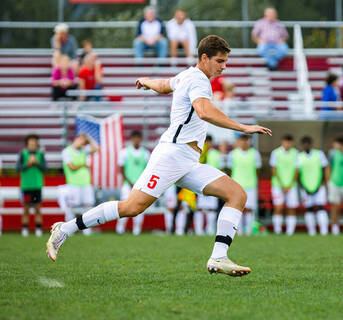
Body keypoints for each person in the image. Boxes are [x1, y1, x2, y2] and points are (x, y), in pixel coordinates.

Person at [46, 35, 272, 278]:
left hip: (188, 161)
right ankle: (65, 229)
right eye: (220, 61)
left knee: (236, 194)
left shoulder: (188, 75)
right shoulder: (199, 81)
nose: (224, 66)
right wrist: (244, 127)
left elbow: (165, 84)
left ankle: (218, 256)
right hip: (171, 156)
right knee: (132, 207)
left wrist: (146, 81)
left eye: (225, 61)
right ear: (204, 58)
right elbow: (204, 112)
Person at [59, 134, 99, 236]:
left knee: (88, 206)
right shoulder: (67, 151)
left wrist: (89, 139)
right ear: (76, 139)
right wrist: (83, 165)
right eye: (81, 140)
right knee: (72, 207)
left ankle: (87, 230)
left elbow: (96, 149)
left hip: (86, 183)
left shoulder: (83, 151)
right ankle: (68, 230)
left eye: (84, 142)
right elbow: (71, 167)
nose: (82, 143)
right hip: (73, 184)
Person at [115, 131, 150, 235]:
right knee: (124, 206)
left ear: (141, 139)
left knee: (139, 206)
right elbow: (121, 169)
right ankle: (120, 229)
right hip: (127, 184)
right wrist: (129, 181)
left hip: (141, 185)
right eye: (135, 138)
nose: (136, 140)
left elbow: (148, 170)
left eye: (138, 138)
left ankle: (137, 230)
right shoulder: (124, 152)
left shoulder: (146, 153)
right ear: (131, 139)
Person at [228, 135, 262, 236]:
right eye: (242, 140)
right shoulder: (232, 154)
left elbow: (257, 170)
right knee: (238, 209)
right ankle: (238, 231)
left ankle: (248, 230)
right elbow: (230, 170)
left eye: (246, 140)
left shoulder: (255, 154)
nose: (244, 142)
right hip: (237, 185)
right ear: (238, 141)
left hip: (251, 185)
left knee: (249, 209)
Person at [16, 134, 46, 237]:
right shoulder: (22, 154)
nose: (33, 145)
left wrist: (36, 163)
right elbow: (18, 169)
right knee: (26, 209)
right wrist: (28, 164)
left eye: (34, 143)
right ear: (27, 144)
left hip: (37, 185)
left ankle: (38, 230)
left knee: (38, 209)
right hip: (26, 186)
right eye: (31, 143)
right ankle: (24, 230)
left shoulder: (40, 154)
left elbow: (45, 169)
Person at [298, 136, 330, 236]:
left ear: (311, 144)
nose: (306, 145)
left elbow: (325, 169)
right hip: (305, 187)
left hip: (319, 186)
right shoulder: (299, 156)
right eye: (304, 143)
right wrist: (302, 186)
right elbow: (297, 173)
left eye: (308, 143)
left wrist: (323, 183)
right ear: (302, 145)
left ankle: (324, 231)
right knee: (309, 208)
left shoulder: (319, 154)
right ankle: (311, 231)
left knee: (321, 207)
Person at [270, 134, 299, 236]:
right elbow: (274, 170)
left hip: (291, 186)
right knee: (278, 208)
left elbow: (296, 170)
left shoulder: (295, 153)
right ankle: (277, 230)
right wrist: (282, 185)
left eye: (290, 142)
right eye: (286, 142)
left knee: (291, 208)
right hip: (278, 186)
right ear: (282, 142)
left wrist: (290, 184)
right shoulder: (276, 153)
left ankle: (290, 232)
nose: (288, 144)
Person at [195, 135, 223, 235]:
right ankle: (198, 230)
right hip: (200, 183)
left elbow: (220, 168)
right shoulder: (198, 152)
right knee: (200, 208)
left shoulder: (216, 154)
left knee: (212, 208)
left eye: (209, 142)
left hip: (214, 183)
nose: (208, 144)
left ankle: (210, 229)